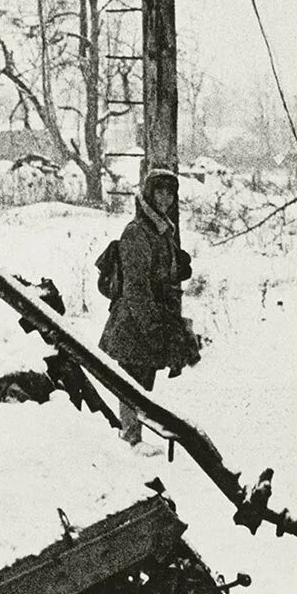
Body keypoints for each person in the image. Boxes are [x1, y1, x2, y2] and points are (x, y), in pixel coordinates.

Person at [97, 168, 197, 443]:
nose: (165, 197)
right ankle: (130, 442)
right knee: (132, 386)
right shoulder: (137, 232)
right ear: (149, 194)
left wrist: (176, 269)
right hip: (134, 322)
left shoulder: (160, 228)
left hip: (149, 319)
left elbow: (156, 275)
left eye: (170, 192)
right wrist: (152, 326)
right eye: (159, 191)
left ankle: (131, 439)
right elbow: (136, 287)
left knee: (142, 384)